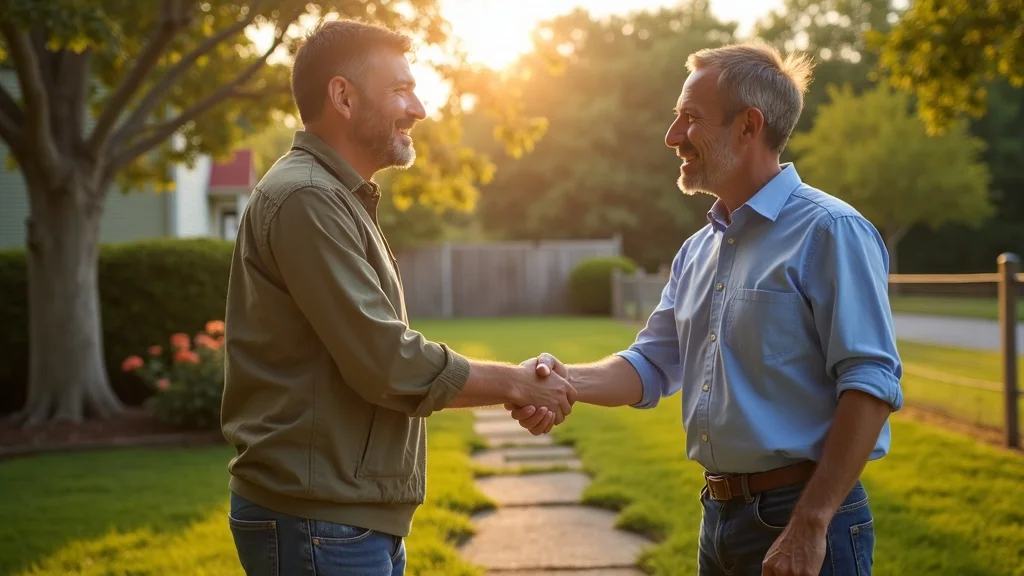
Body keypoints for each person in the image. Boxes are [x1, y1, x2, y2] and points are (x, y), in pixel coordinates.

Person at [510, 40, 903, 576]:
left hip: (805, 515)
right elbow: (651, 363)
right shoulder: (698, 250)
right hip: (718, 516)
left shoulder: (830, 231)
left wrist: (810, 524)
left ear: (748, 126)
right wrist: (560, 379)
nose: (672, 137)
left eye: (690, 118)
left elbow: (871, 383)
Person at [219, 19, 576, 576]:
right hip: (319, 522)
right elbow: (386, 362)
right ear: (342, 95)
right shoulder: (307, 199)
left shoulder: (332, 196)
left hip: (341, 518)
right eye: (401, 90)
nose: (419, 108)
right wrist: (513, 381)